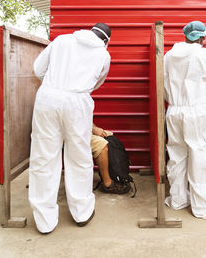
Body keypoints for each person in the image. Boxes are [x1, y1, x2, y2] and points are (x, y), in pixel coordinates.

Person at [29, 23, 111, 234]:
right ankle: (81, 212)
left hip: (48, 97)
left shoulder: (62, 40)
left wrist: (54, 84)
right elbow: (97, 82)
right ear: (106, 41)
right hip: (78, 101)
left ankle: (44, 220)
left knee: (44, 155)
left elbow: (38, 69)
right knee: (79, 155)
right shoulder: (103, 54)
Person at [164, 20, 206, 222]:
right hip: (197, 112)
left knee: (177, 155)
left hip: (174, 111)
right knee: (201, 156)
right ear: (202, 37)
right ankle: (201, 205)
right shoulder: (201, 54)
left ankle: (177, 199)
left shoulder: (168, 55)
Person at [91, 124, 130, 194]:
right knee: (101, 144)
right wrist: (92, 129)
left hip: (84, 129)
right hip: (74, 133)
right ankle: (107, 184)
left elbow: (86, 117)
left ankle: (116, 175)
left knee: (109, 136)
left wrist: (95, 128)